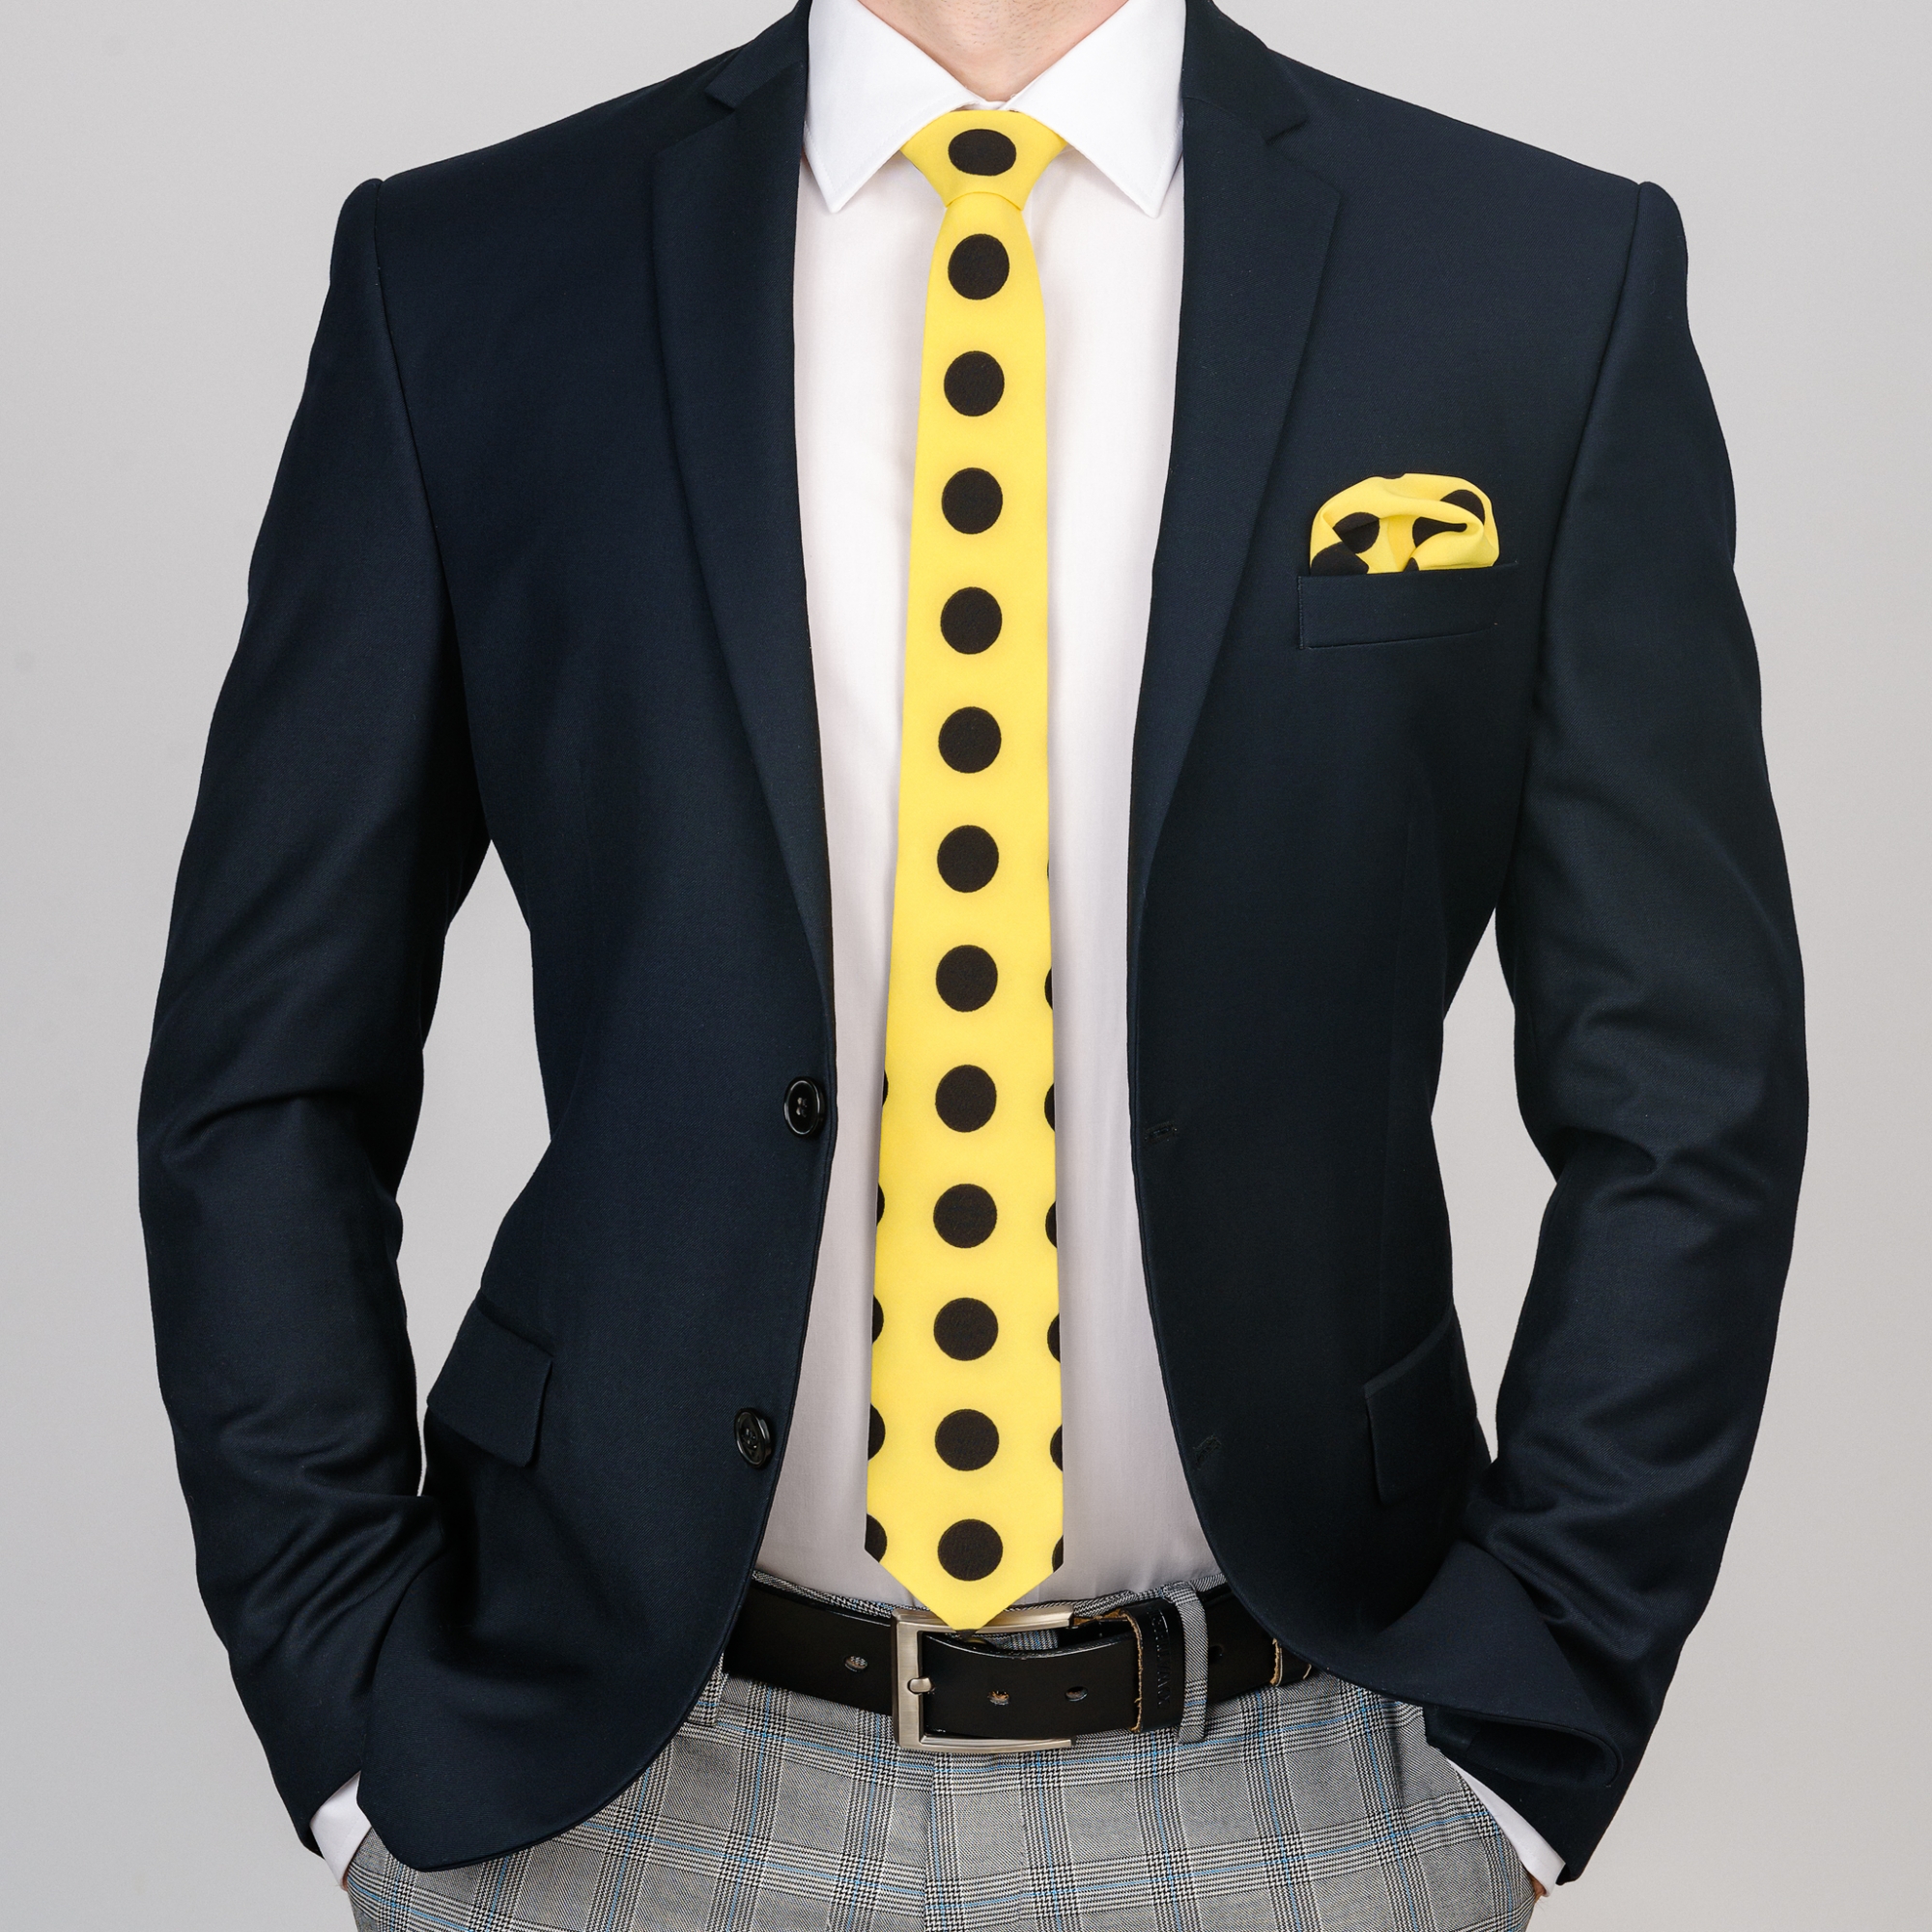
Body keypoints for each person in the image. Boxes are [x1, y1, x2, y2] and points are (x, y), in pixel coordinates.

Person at [138, 0, 1806, 1925]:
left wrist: (1529, 1731)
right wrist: (350, 1715)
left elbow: (1686, 1080)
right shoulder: (472, 275)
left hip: (1305, 1777)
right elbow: (265, 1065)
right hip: (614, 1787)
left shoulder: (1528, 275)